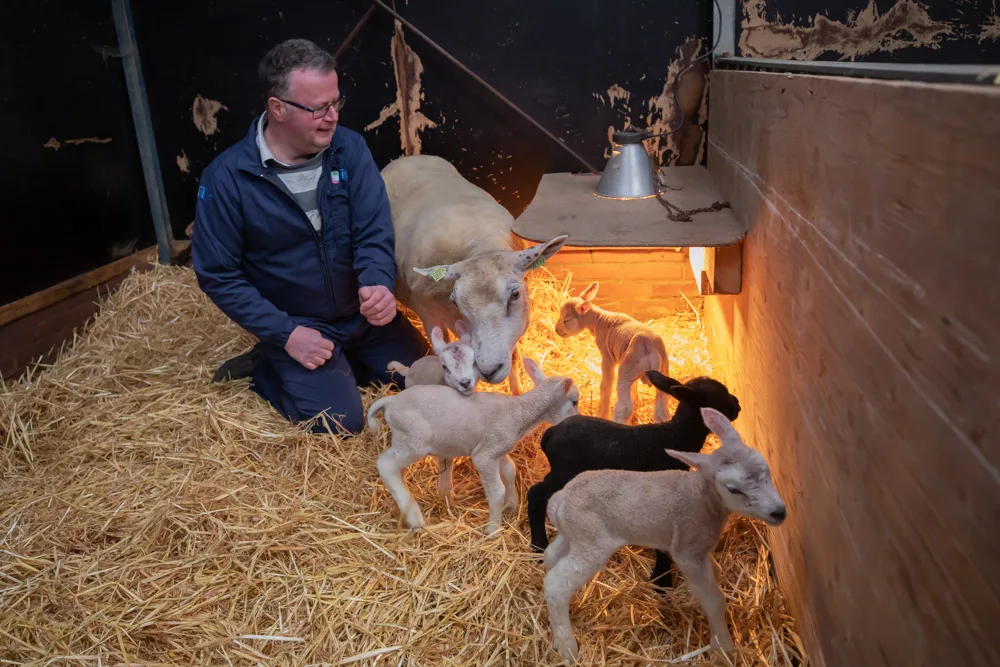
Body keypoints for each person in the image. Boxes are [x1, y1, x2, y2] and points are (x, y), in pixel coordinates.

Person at [191, 38, 430, 434]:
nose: (332, 116)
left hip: (362, 317)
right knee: (338, 422)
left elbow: (373, 230)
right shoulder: (227, 178)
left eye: (336, 103)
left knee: (428, 383)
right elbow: (219, 275)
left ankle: (345, 362)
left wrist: (377, 282)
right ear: (278, 108)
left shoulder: (350, 150)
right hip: (299, 324)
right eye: (318, 108)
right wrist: (286, 335)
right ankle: (267, 366)